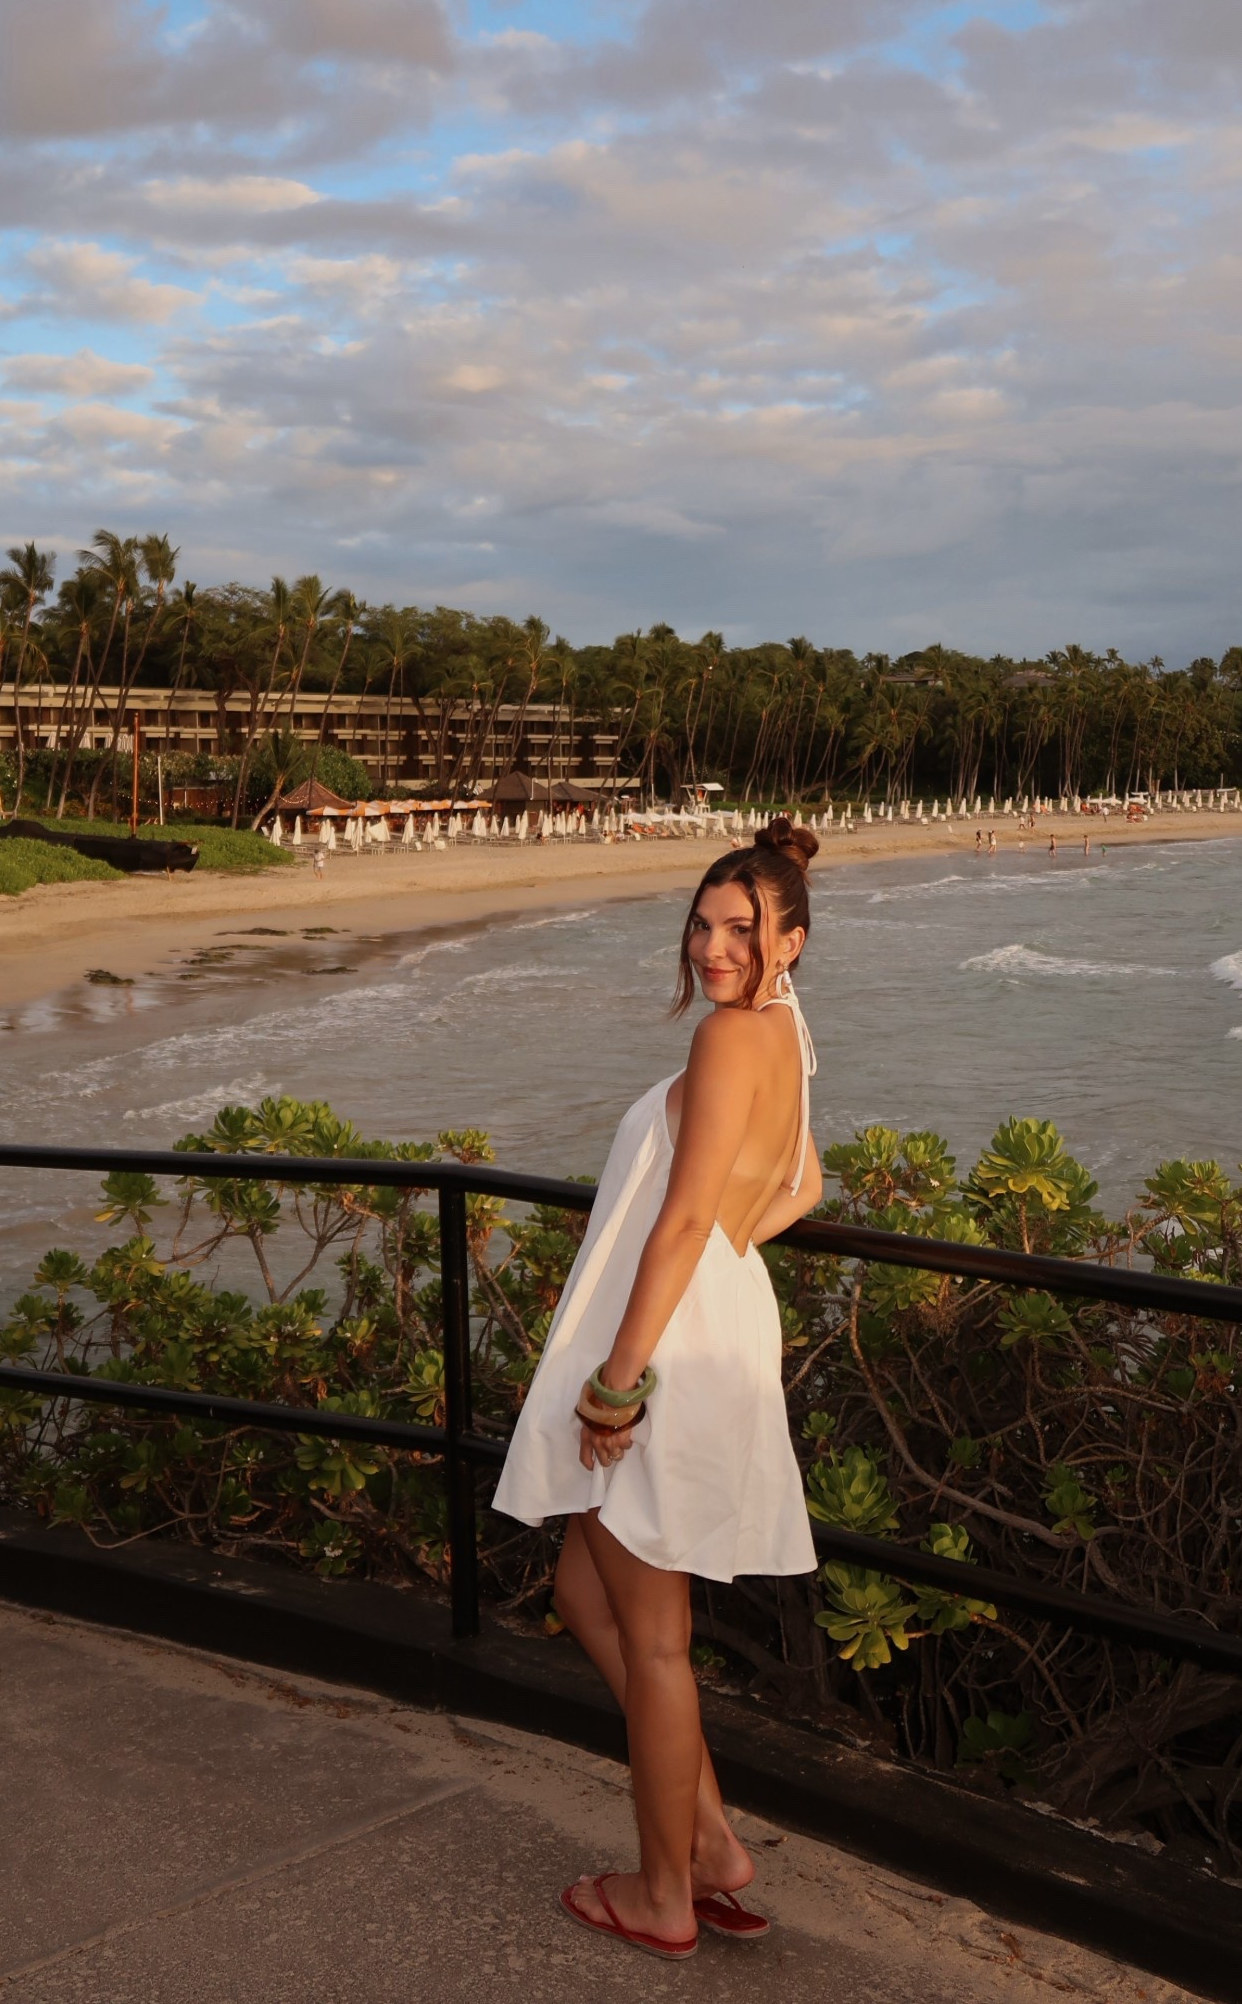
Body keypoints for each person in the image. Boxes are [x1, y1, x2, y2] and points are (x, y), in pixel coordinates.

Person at [493, 817, 823, 1962]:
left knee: (657, 1639)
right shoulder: (786, 1033)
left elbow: (683, 1216)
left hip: (670, 1345)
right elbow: (802, 1182)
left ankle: (664, 1892)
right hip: (717, 1316)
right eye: (702, 920)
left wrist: (618, 1378)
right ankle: (716, 1847)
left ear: (791, 937)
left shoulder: (734, 1038)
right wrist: (734, 1244)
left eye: (743, 926)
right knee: (589, 1594)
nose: (714, 944)